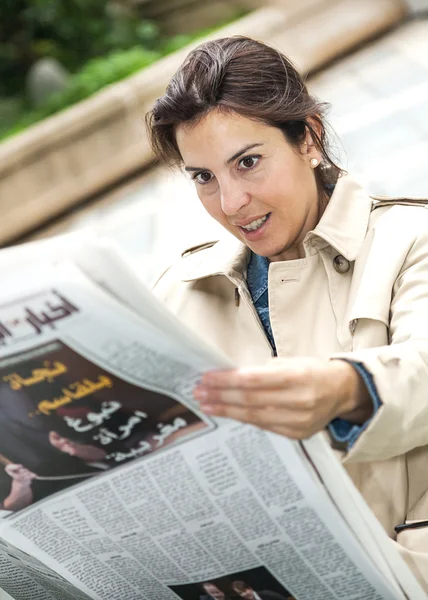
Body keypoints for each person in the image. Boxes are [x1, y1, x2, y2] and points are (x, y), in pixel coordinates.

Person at [146, 36, 428, 590]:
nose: (231, 203)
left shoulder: (411, 240)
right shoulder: (177, 292)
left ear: (310, 139)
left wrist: (347, 388)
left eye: (247, 163)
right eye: (203, 177)